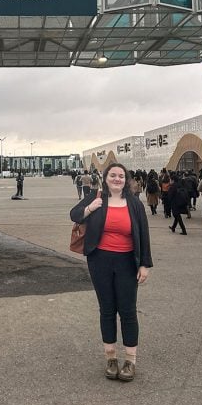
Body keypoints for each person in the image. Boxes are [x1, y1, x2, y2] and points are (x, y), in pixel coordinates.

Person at [70, 162, 153, 382]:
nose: (117, 179)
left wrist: (144, 264)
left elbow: (143, 235)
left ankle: (130, 361)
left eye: (121, 176)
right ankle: (111, 358)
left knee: (127, 311)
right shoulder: (96, 197)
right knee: (107, 309)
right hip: (100, 261)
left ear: (126, 180)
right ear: (105, 178)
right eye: (113, 175)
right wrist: (91, 208)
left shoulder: (134, 204)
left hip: (127, 262)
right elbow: (74, 214)